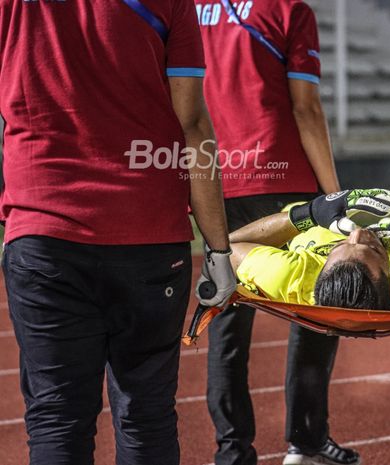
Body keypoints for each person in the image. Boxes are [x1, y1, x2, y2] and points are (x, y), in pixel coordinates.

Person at [0, 1, 236, 465]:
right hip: (149, 238)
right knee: (147, 417)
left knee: (56, 420)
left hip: (43, 230)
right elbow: (192, 125)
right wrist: (218, 251)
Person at [192, 1, 350, 464]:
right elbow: (305, 108)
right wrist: (334, 194)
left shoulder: (189, 9)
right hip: (287, 185)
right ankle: (304, 442)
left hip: (220, 181)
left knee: (227, 328)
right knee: (317, 310)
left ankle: (233, 453)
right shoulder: (288, 9)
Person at [227, 103, 390, 313]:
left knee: (300, 213)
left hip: (309, 227)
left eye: (340, 247)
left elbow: (224, 249)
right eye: (371, 250)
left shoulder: (292, 276)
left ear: (318, 276)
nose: (358, 233)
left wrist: (310, 213)